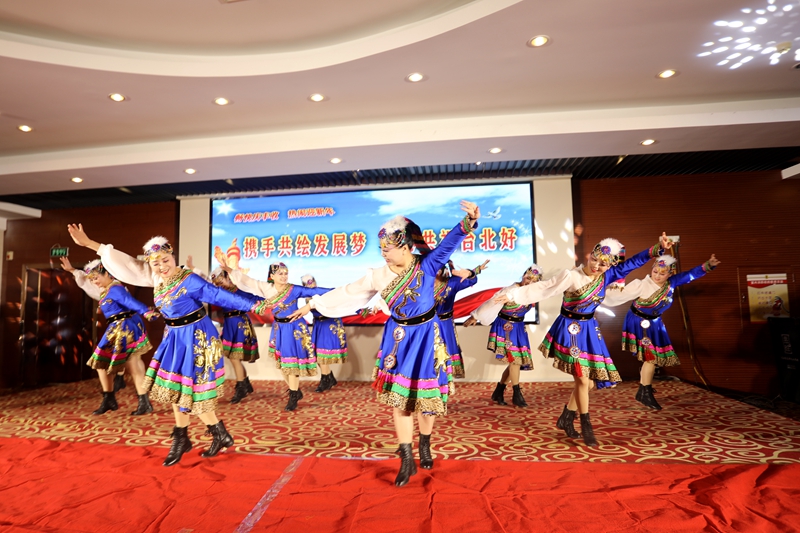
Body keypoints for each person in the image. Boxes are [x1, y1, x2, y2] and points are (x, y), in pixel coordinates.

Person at [288, 200, 480, 487]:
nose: (384, 255)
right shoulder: (377, 275)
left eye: (387, 249)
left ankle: (425, 443)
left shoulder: (427, 265)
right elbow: (347, 292)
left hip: (427, 337)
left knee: (427, 402)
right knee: (400, 400)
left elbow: (448, 244)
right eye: (381, 250)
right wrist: (312, 304)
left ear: (406, 247)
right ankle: (406, 457)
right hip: (398, 339)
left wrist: (468, 222)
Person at [66, 224, 268, 466]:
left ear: (173, 256)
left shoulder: (188, 279)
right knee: (176, 389)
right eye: (156, 263)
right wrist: (90, 244)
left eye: (165, 260)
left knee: (192, 392)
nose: (162, 266)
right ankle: (205, 434)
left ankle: (196, 436)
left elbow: (218, 295)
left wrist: (254, 305)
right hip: (174, 337)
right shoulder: (157, 279)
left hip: (196, 338)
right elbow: (129, 264)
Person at [495, 234, 672, 447]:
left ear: (610, 265)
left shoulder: (607, 276)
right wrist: (513, 295)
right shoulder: (571, 276)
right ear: (590, 255)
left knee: (588, 383)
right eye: (594, 259)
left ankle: (567, 416)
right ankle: (586, 424)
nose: (596, 266)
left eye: (603, 264)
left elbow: (634, 262)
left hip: (589, 330)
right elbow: (544, 288)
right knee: (581, 378)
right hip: (570, 329)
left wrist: (657, 248)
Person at [603, 253, 720, 410]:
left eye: (662, 273)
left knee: (653, 358)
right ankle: (644, 392)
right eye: (655, 271)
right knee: (651, 357)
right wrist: (598, 292)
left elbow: (690, 275)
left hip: (655, 323)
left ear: (670, 274)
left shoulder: (671, 283)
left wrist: (708, 265)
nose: (657, 276)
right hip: (640, 322)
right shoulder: (641, 285)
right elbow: (617, 295)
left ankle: (645, 387)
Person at [222, 263, 332, 411]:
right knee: (283, 364)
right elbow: (248, 281)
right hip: (279, 328)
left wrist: (341, 291)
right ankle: (295, 391)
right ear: (272, 276)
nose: (284, 276)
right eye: (280, 274)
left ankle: (293, 394)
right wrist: (230, 270)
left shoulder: (293, 289)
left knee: (291, 364)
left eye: (286, 273)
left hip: (294, 328)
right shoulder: (266, 288)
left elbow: (317, 291)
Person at [61, 257, 157, 416]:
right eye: (92, 279)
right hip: (117, 327)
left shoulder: (115, 288)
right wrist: (72, 270)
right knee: (105, 363)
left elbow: (129, 301)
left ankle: (138, 401)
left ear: (107, 274)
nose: (95, 282)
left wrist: (146, 311)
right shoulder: (107, 289)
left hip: (125, 328)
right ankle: (112, 398)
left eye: (96, 277)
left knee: (128, 363)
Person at [464, 264, 541, 407]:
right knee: (514, 360)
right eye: (528, 278)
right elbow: (492, 302)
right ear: (523, 275)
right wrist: (475, 316)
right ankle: (517, 394)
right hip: (505, 327)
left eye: (533, 280)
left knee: (516, 362)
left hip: (519, 328)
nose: (529, 282)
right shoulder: (510, 290)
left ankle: (499, 391)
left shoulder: (532, 293)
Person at [209, 267, 259, 404]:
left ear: (228, 277)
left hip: (239, 323)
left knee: (234, 357)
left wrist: (269, 300)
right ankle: (245, 382)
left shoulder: (239, 290)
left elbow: (254, 298)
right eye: (218, 284)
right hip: (229, 324)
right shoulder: (221, 293)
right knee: (233, 357)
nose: (221, 285)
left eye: (222, 281)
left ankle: (241, 387)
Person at [434, 259, 489, 380]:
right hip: (426, 325)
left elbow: (471, 280)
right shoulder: (422, 285)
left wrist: (472, 272)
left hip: (445, 324)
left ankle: (445, 382)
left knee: (447, 351)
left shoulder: (451, 283)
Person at [301, 274, 348, 393]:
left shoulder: (323, 293)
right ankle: (329, 377)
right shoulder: (307, 298)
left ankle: (325, 380)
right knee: (316, 355)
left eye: (312, 281)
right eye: (307, 283)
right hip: (318, 325)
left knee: (321, 356)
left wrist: (359, 309)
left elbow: (338, 294)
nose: (310, 284)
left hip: (328, 324)